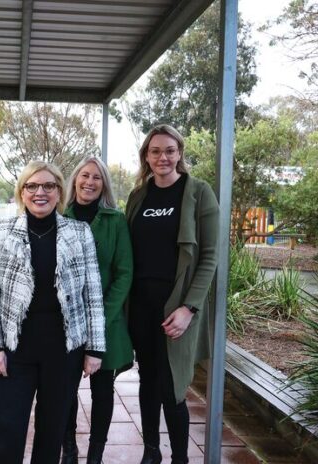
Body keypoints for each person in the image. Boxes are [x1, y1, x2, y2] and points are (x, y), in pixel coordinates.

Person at [0, 160, 106, 464]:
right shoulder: (1, 232)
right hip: (14, 350)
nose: (40, 192)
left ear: (59, 192)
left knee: (52, 431)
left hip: (63, 351)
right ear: (21, 192)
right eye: (32, 186)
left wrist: (95, 349)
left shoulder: (80, 233)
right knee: (9, 430)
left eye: (48, 186)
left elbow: (93, 294)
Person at [125, 124, 219, 464]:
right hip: (140, 305)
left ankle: (180, 457)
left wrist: (189, 308)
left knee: (173, 386)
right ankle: (152, 452)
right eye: (155, 151)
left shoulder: (198, 193)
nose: (162, 157)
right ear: (146, 157)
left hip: (176, 307)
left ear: (179, 153)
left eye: (169, 150)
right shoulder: (138, 196)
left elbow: (210, 256)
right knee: (147, 381)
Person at [61, 156, 134, 464]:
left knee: (102, 391)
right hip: (65, 323)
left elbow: (124, 272)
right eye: (85, 176)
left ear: (104, 185)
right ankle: (69, 449)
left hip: (106, 322)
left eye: (97, 178)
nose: (89, 182)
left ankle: (95, 453)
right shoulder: (58, 217)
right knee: (64, 391)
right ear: (75, 179)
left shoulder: (115, 221)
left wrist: (100, 315)